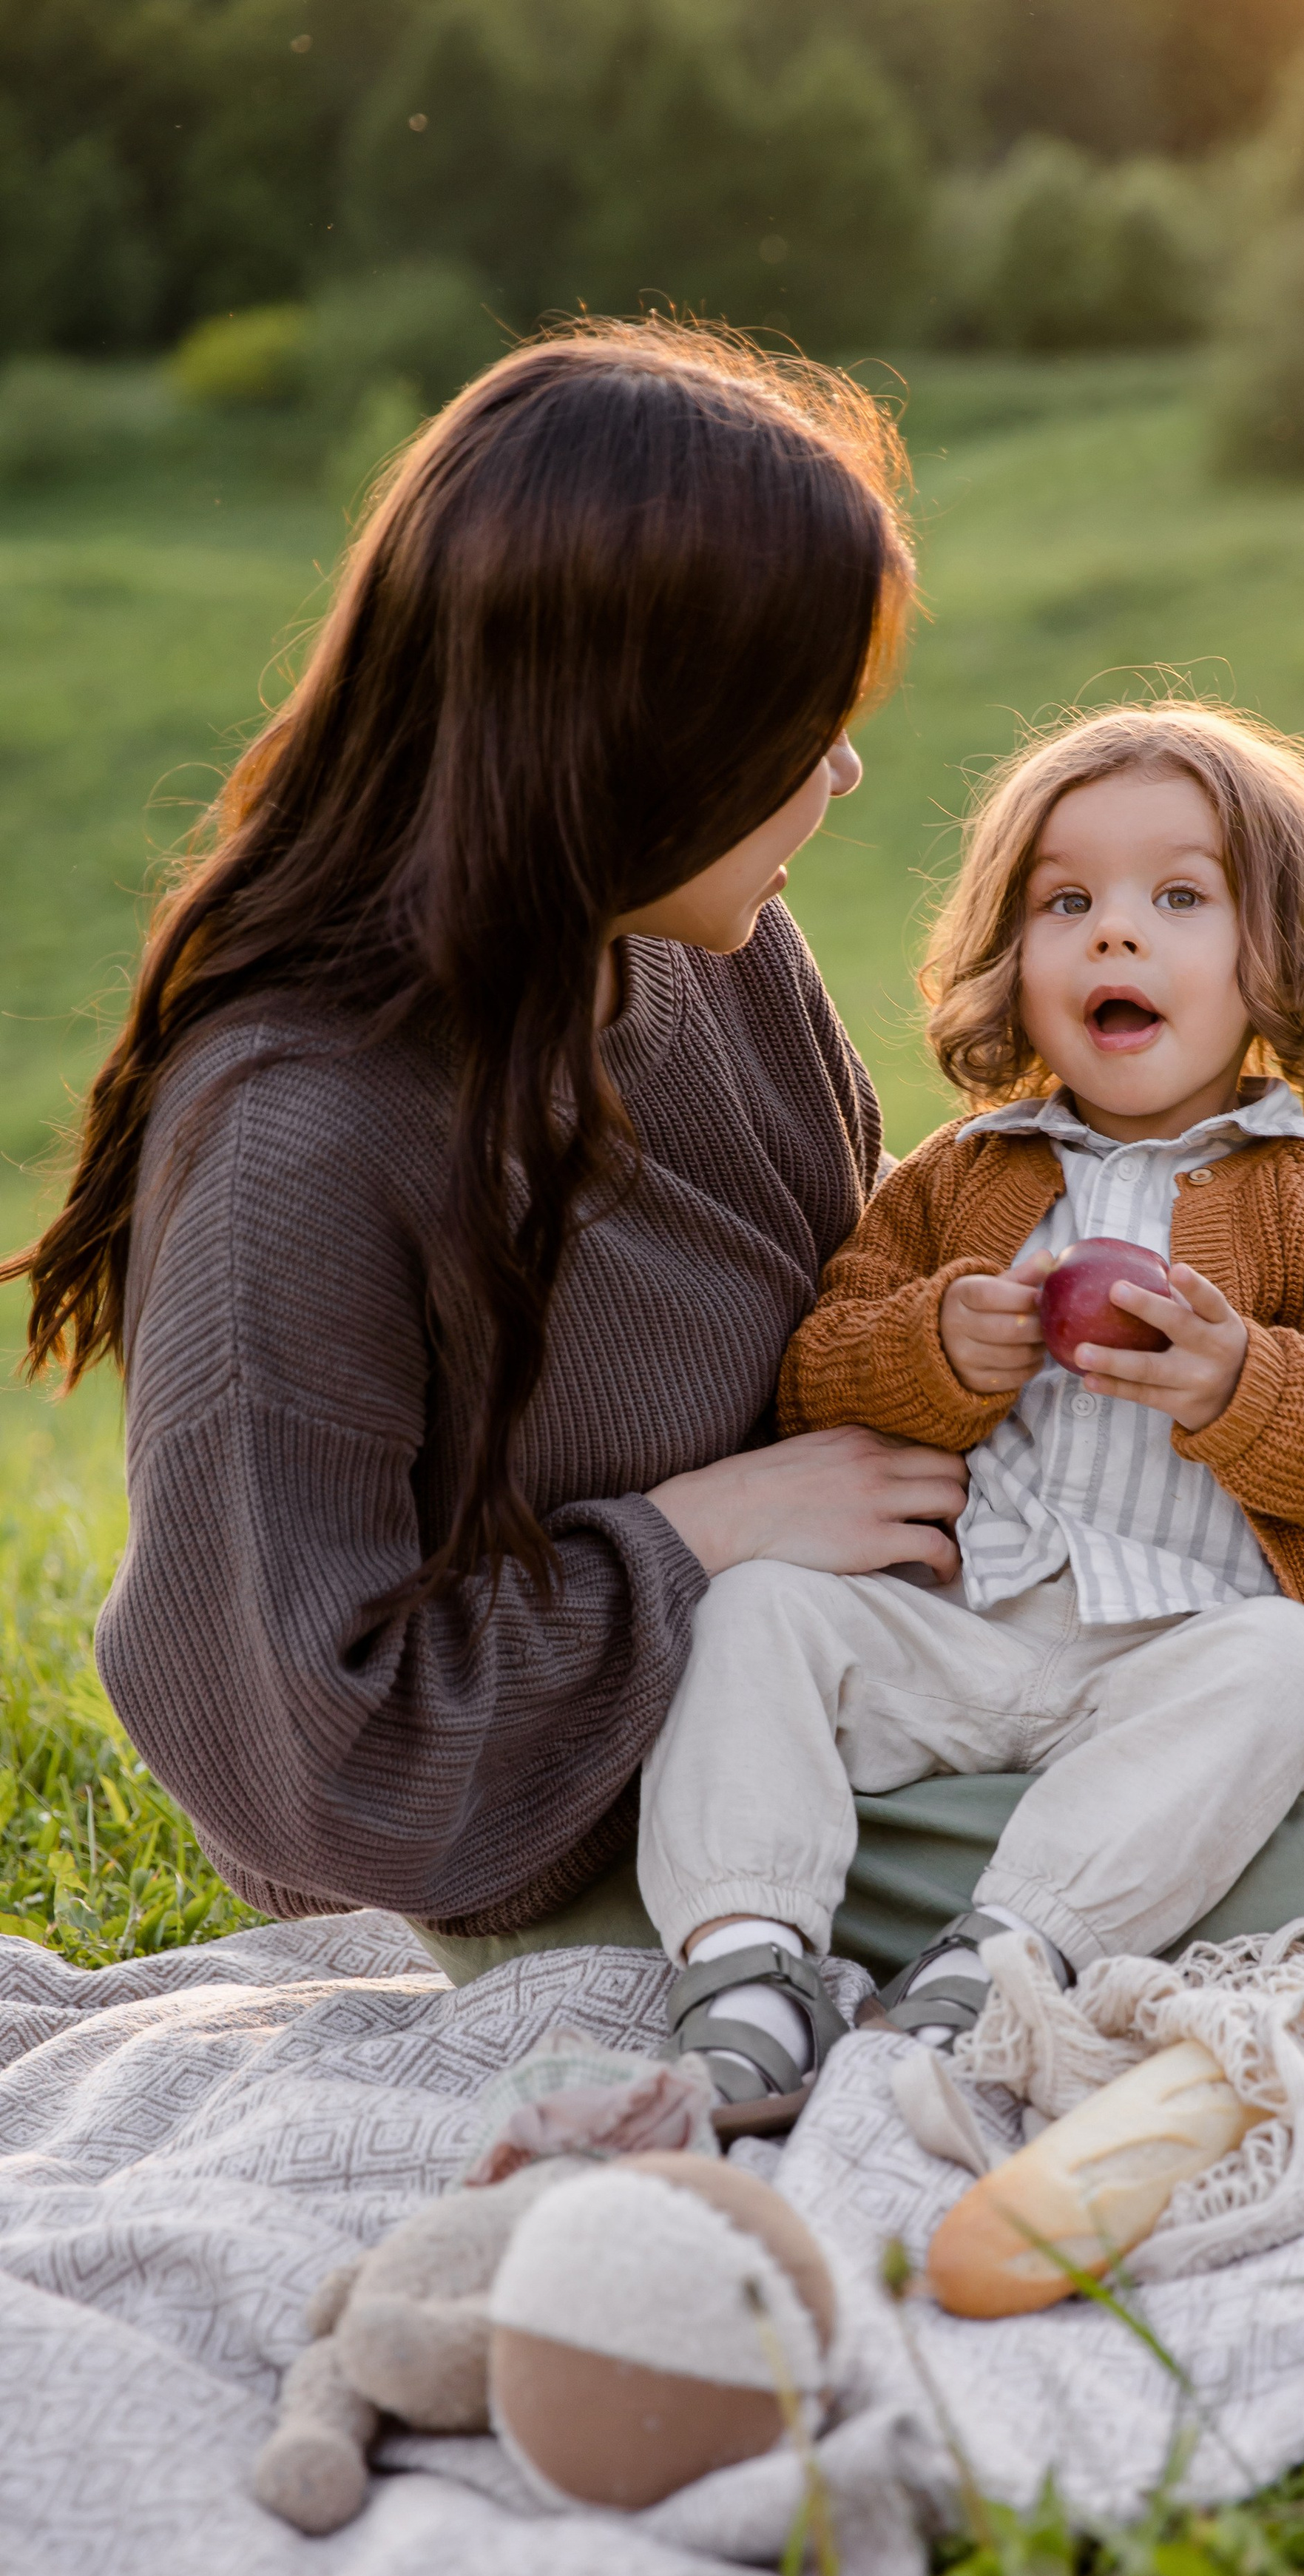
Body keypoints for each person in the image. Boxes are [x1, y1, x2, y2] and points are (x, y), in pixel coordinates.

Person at [6, 321, 974, 1959]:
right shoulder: (297, 1140)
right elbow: (321, 1762)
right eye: (792, 727)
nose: (845, 770)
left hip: (870, 1657)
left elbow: (825, 1293)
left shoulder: (690, 948)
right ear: (624, 740)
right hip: (622, 1825)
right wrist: (702, 1541)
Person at [638, 702, 1304, 2102]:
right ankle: (745, 1960)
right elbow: (815, 1371)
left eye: (1179, 897)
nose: (1115, 934)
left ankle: (1006, 1957)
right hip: (957, 1629)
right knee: (757, 1612)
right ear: (1013, 960)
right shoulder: (960, 1179)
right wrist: (931, 1350)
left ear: (1280, 957)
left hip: (1181, 1648)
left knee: (1297, 1673)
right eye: (1066, 901)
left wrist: (1243, 1383)